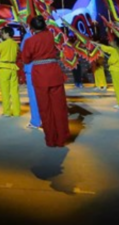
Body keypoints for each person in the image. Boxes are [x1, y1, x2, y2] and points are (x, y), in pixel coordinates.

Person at [22, 16, 71, 147]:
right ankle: (61, 138)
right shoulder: (51, 36)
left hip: (40, 75)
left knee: (45, 108)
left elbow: (26, 59)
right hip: (54, 72)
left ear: (32, 28)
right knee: (59, 107)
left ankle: (51, 139)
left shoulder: (30, 41)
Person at [0, 27, 21, 117]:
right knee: (14, 91)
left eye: (3, 33)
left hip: (3, 67)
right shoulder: (15, 44)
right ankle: (16, 112)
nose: (2, 35)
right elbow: (19, 53)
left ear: (7, 34)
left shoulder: (2, 45)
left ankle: (7, 111)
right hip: (13, 67)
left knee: (5, 91)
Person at [20, 27, 41, 129]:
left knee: (33, 96)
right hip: (43, 68)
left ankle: (36, 121)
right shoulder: (47, 35)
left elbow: (23, 50)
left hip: (31, 68)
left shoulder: (28, 36)